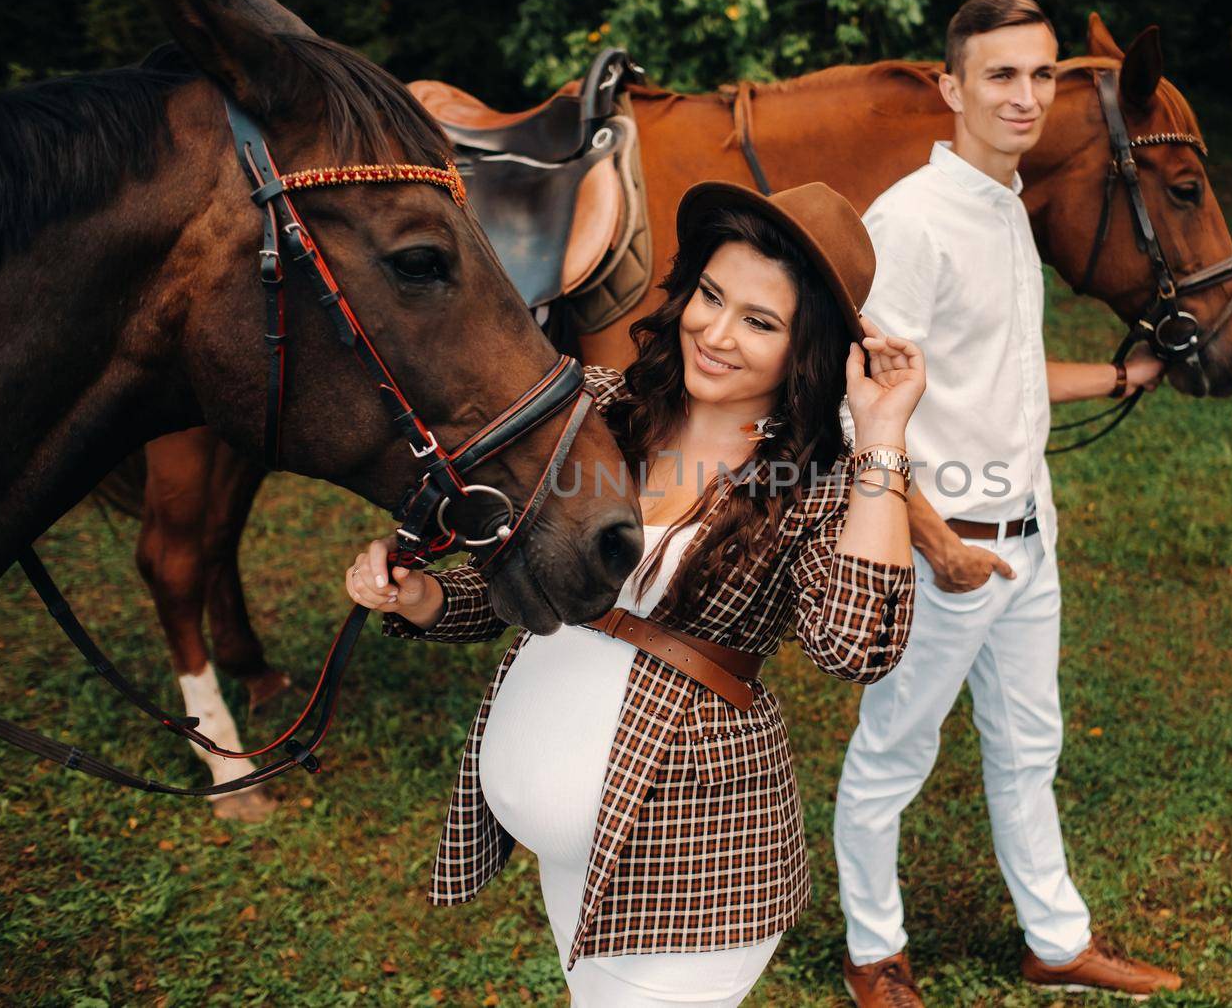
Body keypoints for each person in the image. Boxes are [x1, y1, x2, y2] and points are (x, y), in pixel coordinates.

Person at [344, 180, 925, 1007]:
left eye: (759, 322)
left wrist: (883, 435)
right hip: (580, 858)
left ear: (808, 350)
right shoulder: (606, 414)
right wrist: (421, 601)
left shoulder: (819, 487)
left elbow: (856, 645)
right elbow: (520, 585)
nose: (715, 333)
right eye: (711, 296)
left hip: (692, 864)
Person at [831, 0, 1183, 1004]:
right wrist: (933, 540)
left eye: (1040, 74)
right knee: (892, 753)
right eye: (1000, 74)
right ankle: (873, 951)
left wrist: (1121, 377)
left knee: (1031, 746)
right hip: (945, 550)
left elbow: (997, 367)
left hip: (1030, 541)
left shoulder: (1004, 206)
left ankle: (1054, 936)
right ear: (951, 87)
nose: (1025, 95)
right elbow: (862, 403)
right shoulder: (910, 221)